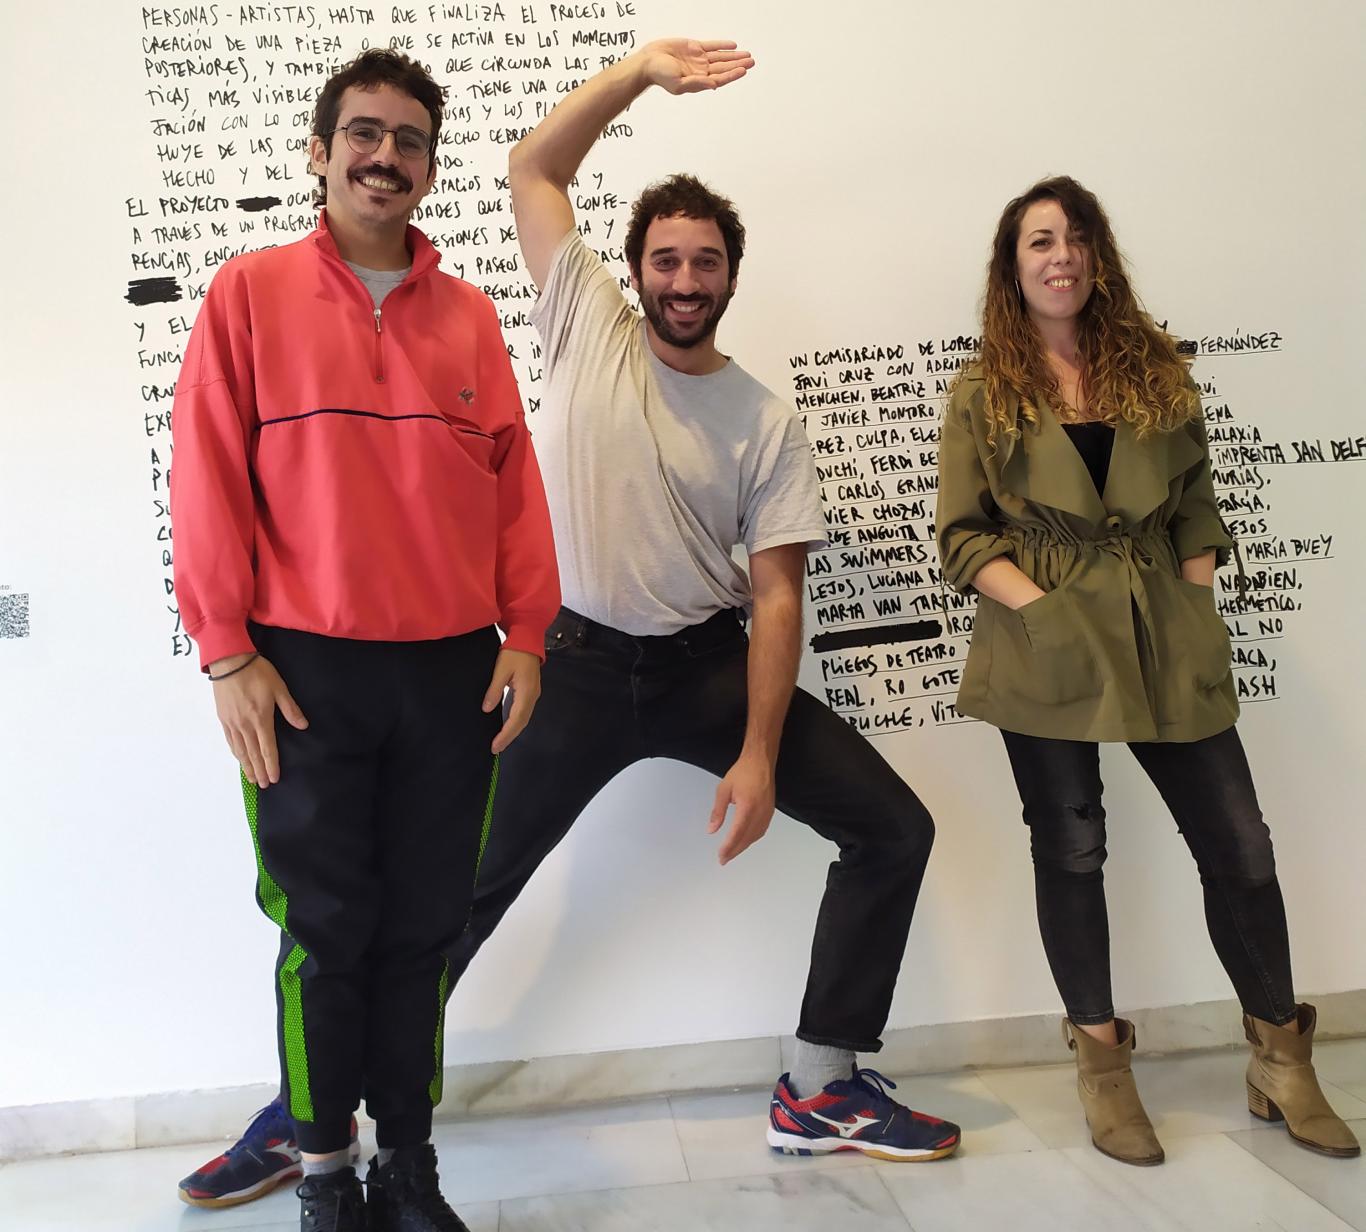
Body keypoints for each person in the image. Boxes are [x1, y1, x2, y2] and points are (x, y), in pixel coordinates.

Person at [180, 38, 959, 1206]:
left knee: (894, 826)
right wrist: (640, 71)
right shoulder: (579, 318)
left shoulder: (764, 417)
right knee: (432, 911)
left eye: (705, 262)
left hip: (700, 666)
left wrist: (755, 752)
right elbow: (538, 166)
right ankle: (309, 1116)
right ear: (632, 271)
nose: (684, 278)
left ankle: (820, 1079)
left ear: (730, 278)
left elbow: (779, 594)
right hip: (571, 665)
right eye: (665, 258)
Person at [171, 48, 560, 1232]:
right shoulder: (249, 294)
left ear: (431, 167)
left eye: (409, 139)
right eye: (364, 133)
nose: (385, 156)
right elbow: (203, 477)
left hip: (451, 671)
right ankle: (326, 1174)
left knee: (425, 924)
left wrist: (528, 632)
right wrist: (229, 650)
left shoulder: (470, 317)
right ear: (321, 149)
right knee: (323, 929)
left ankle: (409, 1163)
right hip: (303, 675)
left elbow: (513, 486)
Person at [935, 175, 1360, 1166]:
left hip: (1163, 630)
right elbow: (960, 536)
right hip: (1045, 642)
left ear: (1099, 256)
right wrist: (1041, 611)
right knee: (1071, 846)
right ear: (1012, 265)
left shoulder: (1156, 368)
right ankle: (1100, 1062)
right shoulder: (981, 389)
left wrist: (1189, 593)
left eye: (1077, 238)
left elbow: (1196, 508)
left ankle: (1280, 1059)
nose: (1061, 256)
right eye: (1040, 240)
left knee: (1239, 844)